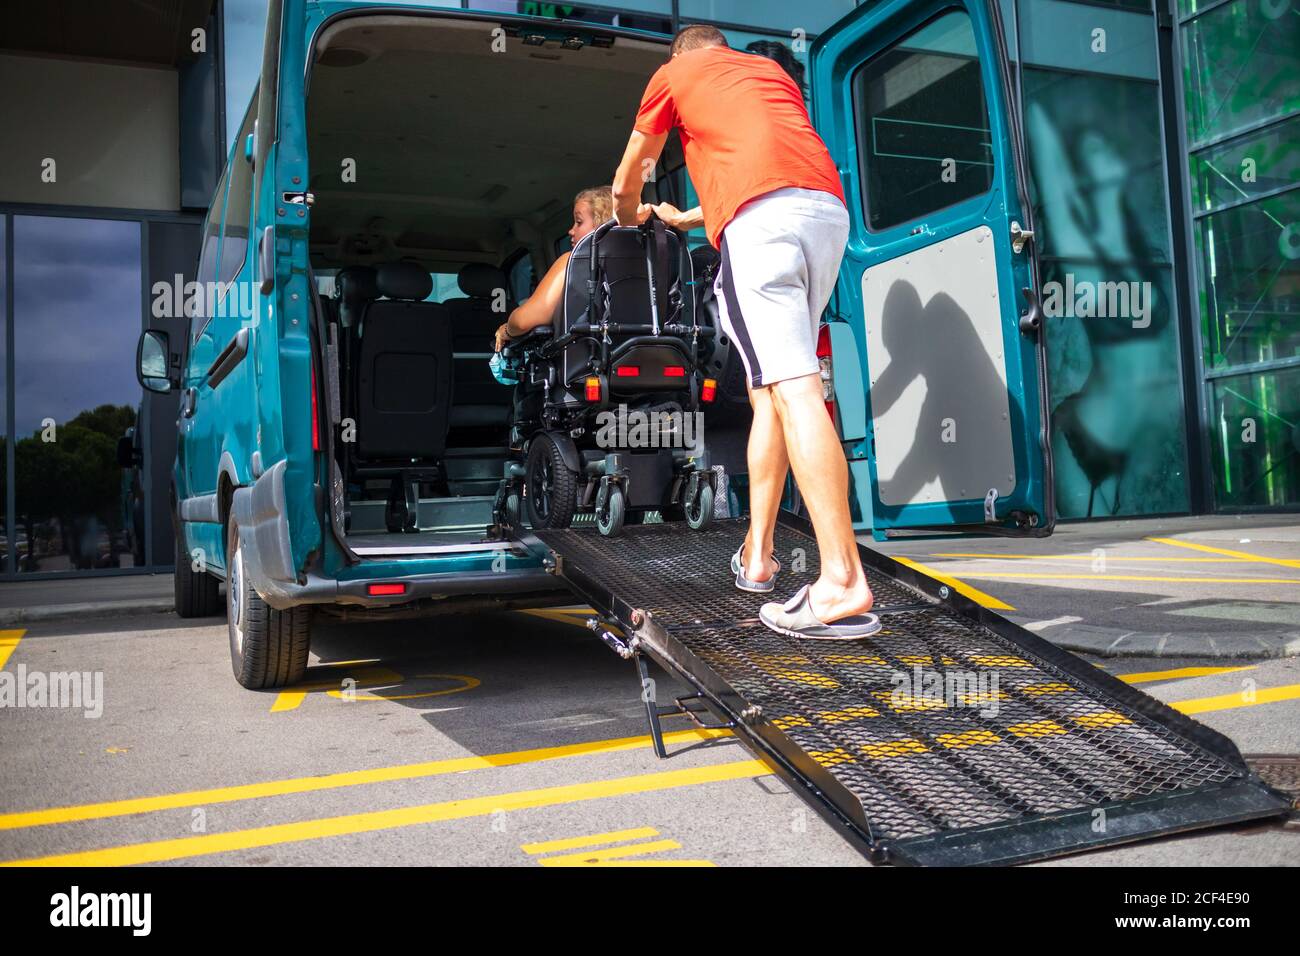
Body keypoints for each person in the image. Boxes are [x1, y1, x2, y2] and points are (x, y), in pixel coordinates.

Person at [611, 25, 878, 639]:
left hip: (764, 230)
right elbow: (772, 167)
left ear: (682, 53)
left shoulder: (675, 75)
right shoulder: (768, 74)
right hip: (824, 216)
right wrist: (695, 215)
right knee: (772, 392)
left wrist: (634, 224)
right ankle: (758, 558)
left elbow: (629, 181)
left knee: (794, 389)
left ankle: (841, 580)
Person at [493, 186, 613, 351]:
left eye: (579, 222)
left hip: (585, 363)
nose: (571, 230)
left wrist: (506, 330)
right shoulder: (649, 262)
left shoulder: (573, 262)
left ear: (602, 223)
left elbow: (523, 321)